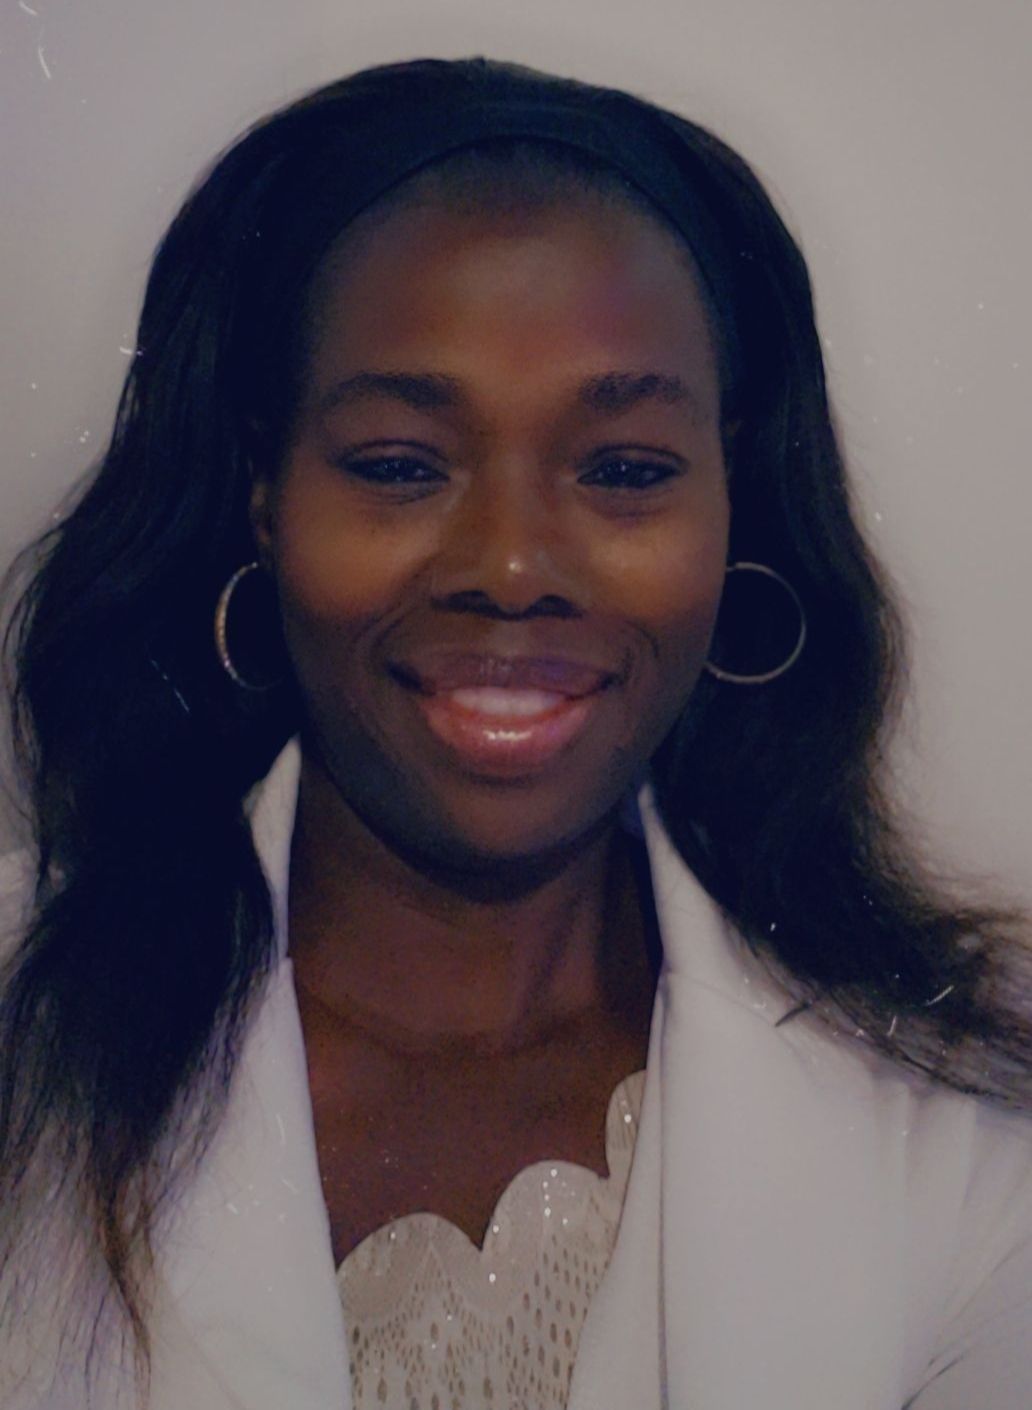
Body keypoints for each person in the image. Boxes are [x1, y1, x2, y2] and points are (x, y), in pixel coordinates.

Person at [1, 54, 1030, 1410]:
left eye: (624, 470)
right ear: (263, 496)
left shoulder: (965, 1154)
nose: (510, 563)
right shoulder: (29, 1043)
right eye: (398, 464)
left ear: (736, 512)